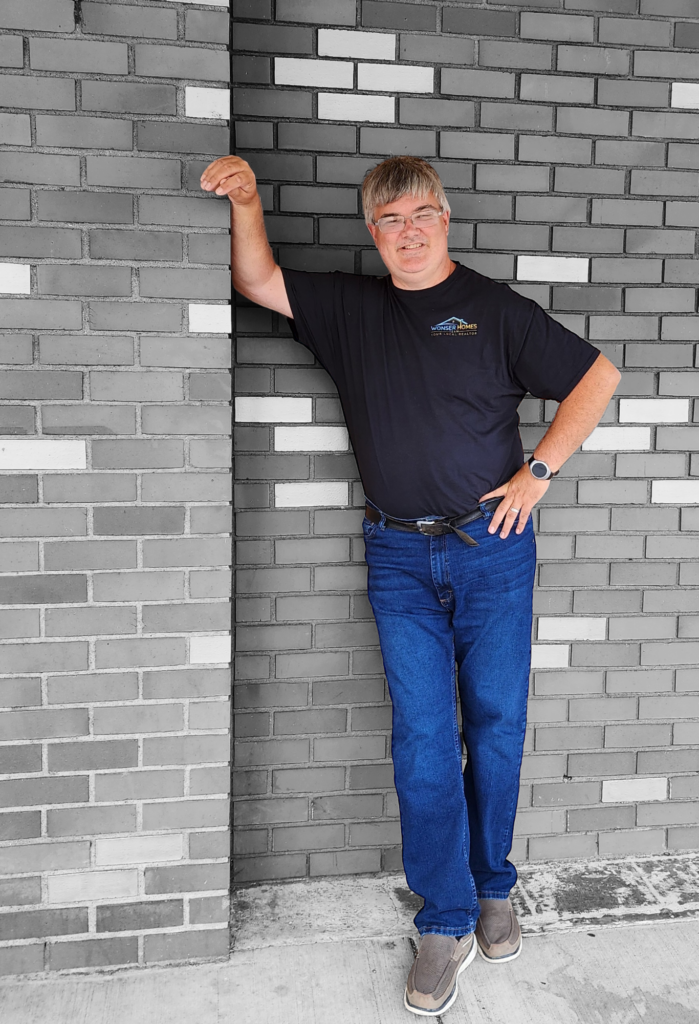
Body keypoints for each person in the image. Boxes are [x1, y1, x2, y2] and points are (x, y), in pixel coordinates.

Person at [202, 154, 620, 1017]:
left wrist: (539, 470)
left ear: (444, 217)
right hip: (397, 557)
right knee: (424, 739)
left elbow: (597, 376)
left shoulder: (493, 310)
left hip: (491, 550)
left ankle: (492, 884)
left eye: (420, 214)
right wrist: (245, 201)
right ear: (373, 231)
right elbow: (257, 280)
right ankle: (446, 917)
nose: (407, 231)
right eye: (389, 219)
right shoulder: (351, 309)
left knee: (496, 726)